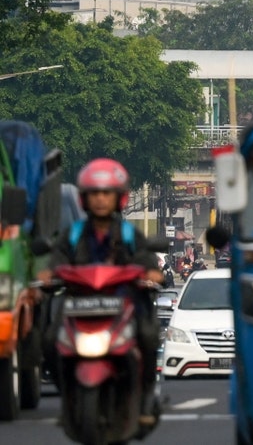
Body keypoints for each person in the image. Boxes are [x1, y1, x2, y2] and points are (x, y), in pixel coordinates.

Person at [37, 158, 165, 425]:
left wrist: (151, 273)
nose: (100, 200)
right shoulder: (72, 234)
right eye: (94, 193)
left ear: (119, 197)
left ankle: (144, 402)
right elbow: (57, 258)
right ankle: (67, 398)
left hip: (124, 303)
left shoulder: (129, 233)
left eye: (106, 193)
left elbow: (145, 258)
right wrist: (49, 274)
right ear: (84, 198)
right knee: (50, 339)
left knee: (149, 335)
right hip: (79, 303)